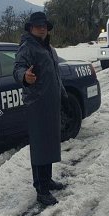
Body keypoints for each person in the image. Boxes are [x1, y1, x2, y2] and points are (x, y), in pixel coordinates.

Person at [14, 11, 68, 205]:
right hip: (37, 104)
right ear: (30, 28)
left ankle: (47, 180)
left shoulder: (48, 48)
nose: (42, 28)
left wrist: (62, 94)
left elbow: (56, 75)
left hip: (51, 104)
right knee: (40, 147)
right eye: (38, 26)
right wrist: (24, 77)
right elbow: (18, 68)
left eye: (44, 25)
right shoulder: (27, 47)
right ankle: (41, 190)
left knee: (50, 144)